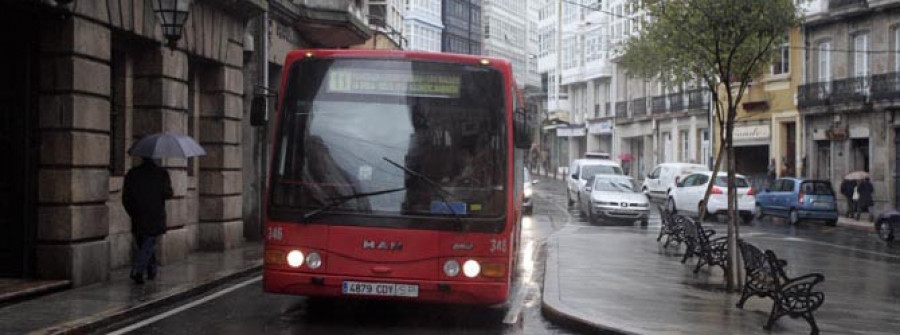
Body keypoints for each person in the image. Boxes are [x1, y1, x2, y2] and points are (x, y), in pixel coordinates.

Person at [123, 157, 173, 284]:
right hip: (154, 215)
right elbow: (168, 193)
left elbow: (126, 197)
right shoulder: (161, 173)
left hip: (137, 215)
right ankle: (138, 270)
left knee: (144, 243)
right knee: (148, 243)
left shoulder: (132, 173)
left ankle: (152, 270)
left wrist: (132, 212)